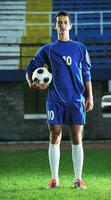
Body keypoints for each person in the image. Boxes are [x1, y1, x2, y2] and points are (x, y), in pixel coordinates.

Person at [26, 11, 94, 189]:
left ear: (70, 26)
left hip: (76, 99)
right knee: (55, 135)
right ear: (55, 26)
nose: (62, 25)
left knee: (76, 137)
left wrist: (90, 96)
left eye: (65, 22)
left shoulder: (80, 48)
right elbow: (30, 67)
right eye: (59, 22)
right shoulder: (48, 48)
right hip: (55, 100)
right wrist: (31, 84)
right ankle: (54, 179)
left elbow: (86, 73)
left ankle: (78, 179)